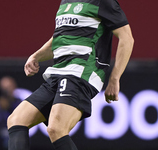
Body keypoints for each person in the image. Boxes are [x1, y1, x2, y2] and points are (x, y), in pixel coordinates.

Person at [7, 0, 134, 150]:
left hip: (81, 72)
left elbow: (127, 38)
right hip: (58, 72)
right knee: (16, 120)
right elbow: (61, 38)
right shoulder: (66, 2)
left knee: (56, 129)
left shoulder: (102, 2)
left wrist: (114, 79)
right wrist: (36, 56)